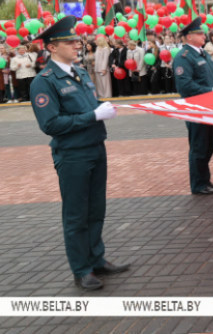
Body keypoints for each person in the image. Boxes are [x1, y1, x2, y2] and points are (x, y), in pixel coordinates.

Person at [29, 16, 128, 290]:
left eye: (76, 40)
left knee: (96, 209)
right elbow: (51, 124)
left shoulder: (81, 73)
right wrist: (94, 115)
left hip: (95, 147)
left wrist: (102, 107)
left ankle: (96, 259)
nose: (77, 45)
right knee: (76, 215)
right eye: (69, 42)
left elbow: (89, 105)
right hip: (73, 155)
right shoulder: (44, 82)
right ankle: (81, 269)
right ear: (52, 47)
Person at [173, 17, 213, 195]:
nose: (204, 36)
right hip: (195, 109)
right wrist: (212, 90)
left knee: (209, 145)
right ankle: (198, 184)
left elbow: (211, 78)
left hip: (209, 107)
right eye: (200, 33)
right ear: (189, 37)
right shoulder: (184, 57)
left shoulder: (202, 53)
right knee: (199, 147)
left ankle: (205, 180)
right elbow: (185, 86)